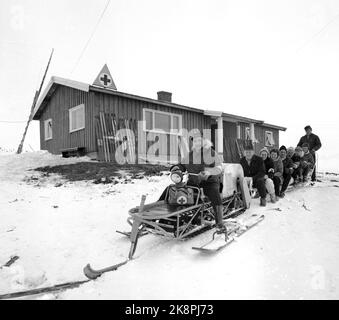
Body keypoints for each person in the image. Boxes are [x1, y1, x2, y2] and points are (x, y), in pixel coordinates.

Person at [169, 136, 224, 231]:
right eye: (195, 141)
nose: (197, 143)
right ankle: (173, 217)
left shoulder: (211, 153)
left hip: (209, 182)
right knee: (177, 191)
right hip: (193, 182)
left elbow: (219, 168)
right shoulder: (190, 154)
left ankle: (219, 222)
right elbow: (182, 165)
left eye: (199, 140)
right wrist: (177, 168)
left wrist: (209, 172)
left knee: (215, 195)